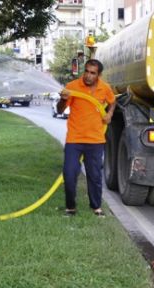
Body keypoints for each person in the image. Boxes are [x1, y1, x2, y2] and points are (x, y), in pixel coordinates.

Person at [57, 59, 116, 217]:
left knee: (95, 176)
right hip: (74, 139)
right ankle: (70, 208)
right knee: (69, 174)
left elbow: (113, 101)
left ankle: (96, 207)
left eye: (93, 73)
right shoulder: (72, 87)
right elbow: (60, 110)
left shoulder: (105, 88)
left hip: (95, 140)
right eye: (87, 71)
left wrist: (109, 114)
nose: (88, 76)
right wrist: (63, 99)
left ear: (98, 75)